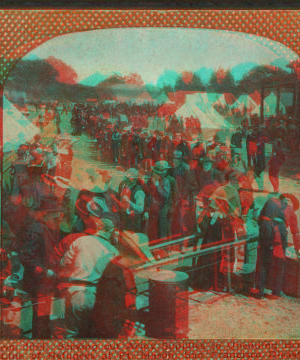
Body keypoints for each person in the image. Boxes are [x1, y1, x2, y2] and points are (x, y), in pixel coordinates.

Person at [56, 206, 119, 339]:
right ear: (112, 231)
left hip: (72, 293)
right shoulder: (113, 251)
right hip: (95, 297)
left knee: (70, 335)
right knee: (90, 336)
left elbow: (63, 264)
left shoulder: (80, 241)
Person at [17, 194, 63, 338]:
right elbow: (27, 257)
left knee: (42, 320)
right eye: (55, 215)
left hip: (43, 285)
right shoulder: (37, 229)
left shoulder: (44, 228)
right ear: (47, 215)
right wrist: (44, 272)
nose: (59, 218)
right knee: (40, 322)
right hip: (38, 284)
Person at [256, 193, 300, 299]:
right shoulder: (290, 210)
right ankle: (276, 291)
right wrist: (297, 249)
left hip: (265, 234)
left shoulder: (270, 204)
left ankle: (259, 289)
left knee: (262, 262)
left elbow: (259, 220)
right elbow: (295, 232)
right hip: (279, 237)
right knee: (279, 264)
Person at [146, 161, 177, 246]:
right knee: (153, 229)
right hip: (153, 208)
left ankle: (163, 249)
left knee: (163, 229)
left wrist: (171, 208)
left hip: (164, 208)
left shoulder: (169, 180)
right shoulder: (150, 180)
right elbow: (147, 194)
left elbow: (172, 195)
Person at [170, 150, 197, 246]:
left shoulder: (186, 168)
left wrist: (182, 195)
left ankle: (185, 243)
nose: (175, 160)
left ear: (180, 159)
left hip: (184, 198)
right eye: (174, 157)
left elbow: (190, 184)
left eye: (177, 158)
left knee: (183, 221)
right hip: (176, 197)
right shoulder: (174, 167)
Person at [118, 168, 147, 233]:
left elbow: (140, 209)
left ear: (135, 179)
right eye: (126, 177)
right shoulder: (123, 186)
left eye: (130, 178)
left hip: (133, 222)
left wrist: (128, 201)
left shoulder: (139, 191)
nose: (127, 179)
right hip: (124, 219)